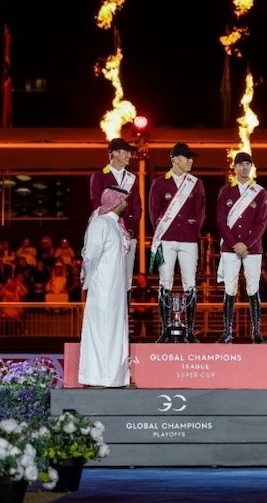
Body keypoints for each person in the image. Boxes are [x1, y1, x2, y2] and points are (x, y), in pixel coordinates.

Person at [149, 142, 206, 343]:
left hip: (189, 240)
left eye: (191, 158)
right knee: (165, 282)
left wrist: (192, 229)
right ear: (174, 159)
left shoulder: (196, 183)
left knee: (190, 283)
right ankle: (165, 329)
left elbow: (200, 212)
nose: (190, 161)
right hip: (166, 238)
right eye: (186, 157)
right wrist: (163, 229)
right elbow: (153, 212)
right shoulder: (159, 183)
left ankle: (189, 330)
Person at [78, 186, 131, 388]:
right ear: (115, 201)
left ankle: (116, 377)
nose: (126, 204)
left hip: (115, 289)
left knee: (116, 329)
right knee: (102, 330)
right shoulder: (100, 223)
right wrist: (89, 281)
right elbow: (90, 255)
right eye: (124, 200)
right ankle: (98, 377)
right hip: (103, 289)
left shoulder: (116, 225)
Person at [89, 137, 143, 333]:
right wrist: (114, 227)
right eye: (126, 151)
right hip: (108, 235)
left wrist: (130, 228)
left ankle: (124, 324)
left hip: (128, 234)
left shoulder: (133, 178)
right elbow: (97, 205)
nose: (129, 155)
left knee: (126, 279)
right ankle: (105, 322)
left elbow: (137, 206)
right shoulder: (99, 176)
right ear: (114, 154)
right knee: (107, 277)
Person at [216, 151, 267, 344]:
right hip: (230, 247)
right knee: (230, 288)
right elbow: (221, 222)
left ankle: (256, 332)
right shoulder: (225, 191)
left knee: (253, 288)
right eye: (241, 164)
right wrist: (234, 243)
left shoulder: (260, 192)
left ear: (251, 167)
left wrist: (246, 244)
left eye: (248, 164)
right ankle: (227, 331)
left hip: (252, 248)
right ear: (235, 168)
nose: (245, 168)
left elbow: (262, 223)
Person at [130, 272, 156, 340]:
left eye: (140, 278)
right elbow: (133, 301)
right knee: (136, 330)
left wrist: (145, 308)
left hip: (148, 313)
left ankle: (150, 344)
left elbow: (152, 300)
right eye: (138, 278)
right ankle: (135, 344)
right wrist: (139, 308)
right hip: (137, 313)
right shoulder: (135, 290)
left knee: (149, 330)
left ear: (144, 279)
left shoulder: (151, 289)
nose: (138, 279)